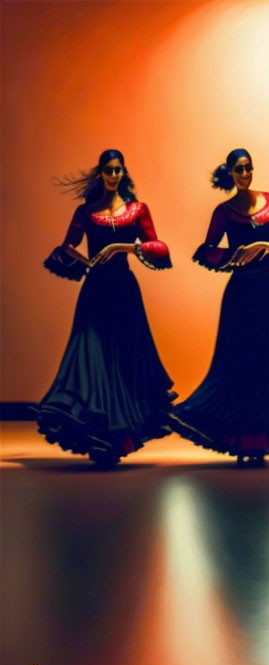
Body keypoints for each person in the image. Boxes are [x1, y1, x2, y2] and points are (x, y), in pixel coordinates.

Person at [169, 149, 269, 466]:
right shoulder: (224, 211)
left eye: (249, 167)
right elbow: (207, 250)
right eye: (239, 169)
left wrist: (268, 246)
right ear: (230, 172)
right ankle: (244, 441)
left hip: (268, 293)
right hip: (239, 295)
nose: (245, 173)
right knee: (240, 366)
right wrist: (235, 255)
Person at [37, 149, 175, 465]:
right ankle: (101, 437)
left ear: (123, 173)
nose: (113, 176)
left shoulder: (138, 210)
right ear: (101, 173)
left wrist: (122, 246)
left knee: (123, 361)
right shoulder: (86, 212)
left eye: (118, 171)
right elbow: (66, 247)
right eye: (108, 170)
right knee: (93, 362)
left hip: (125, 292)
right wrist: (81, 260)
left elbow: (158, 247)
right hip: (96, 293)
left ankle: (118, 438)